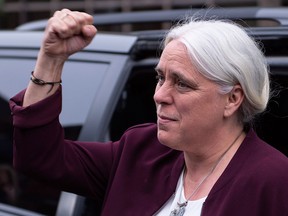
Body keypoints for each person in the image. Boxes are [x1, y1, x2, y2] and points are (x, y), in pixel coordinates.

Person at [9, 8, 288, 216]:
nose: (159, 95)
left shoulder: (273, 181)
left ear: (233, 98)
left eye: (181, 83)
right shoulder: (140, 152)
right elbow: (39, 157)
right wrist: (52, 58)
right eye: (160, 77)